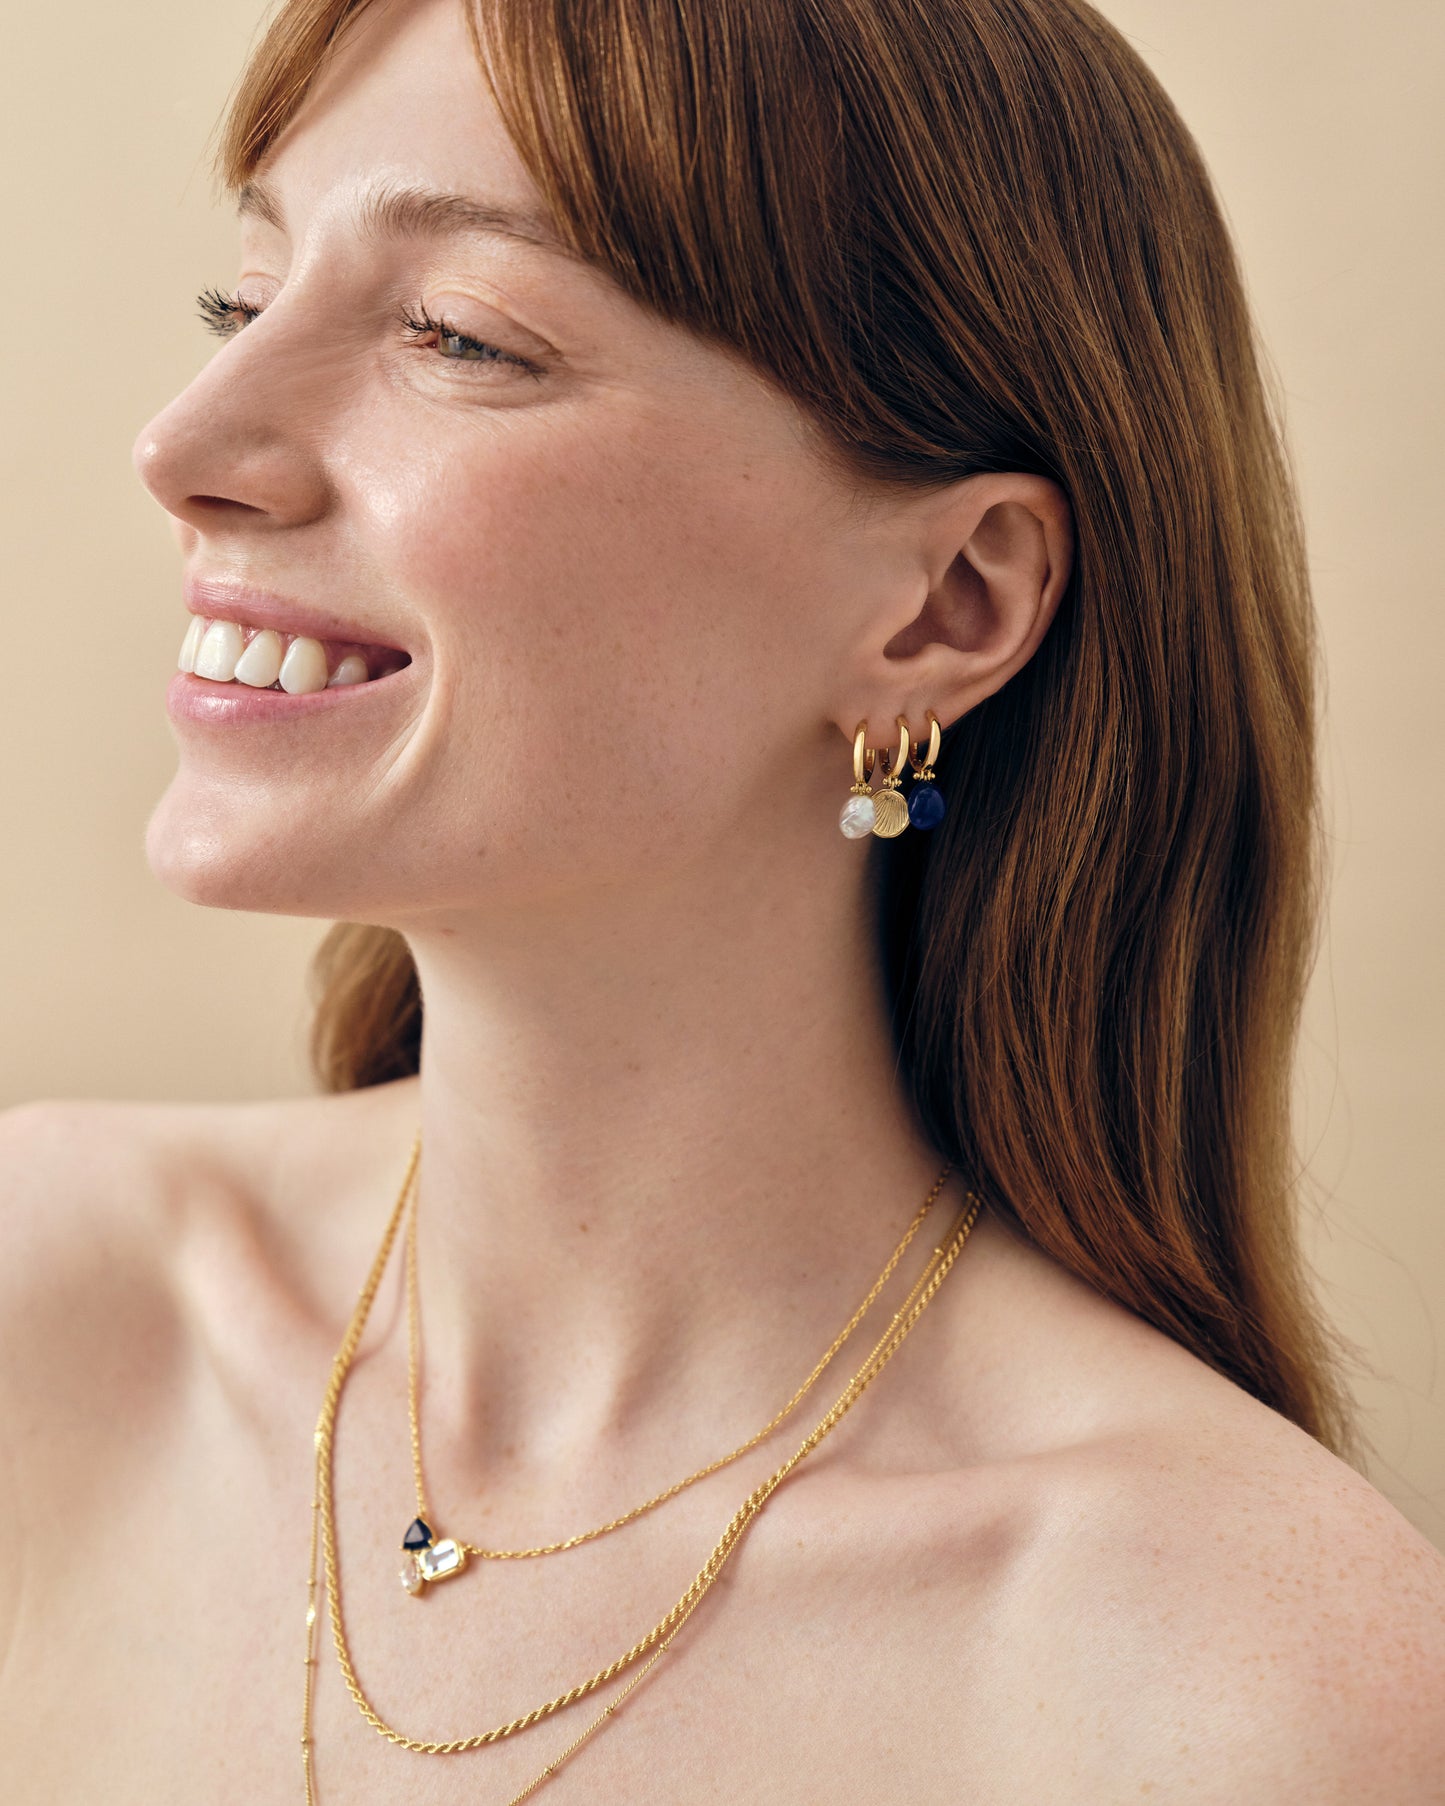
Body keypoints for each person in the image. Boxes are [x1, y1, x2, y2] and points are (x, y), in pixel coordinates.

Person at [2, 0, 1442, 1795]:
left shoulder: (1244, 1689)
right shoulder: (41, 1310)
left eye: (459, 334)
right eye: (244, 299)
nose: (188, 441)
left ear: (946, 605)